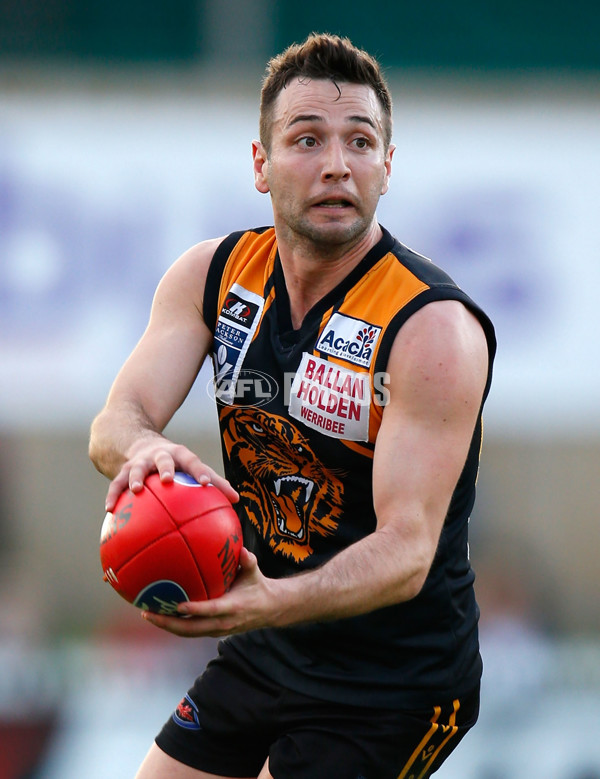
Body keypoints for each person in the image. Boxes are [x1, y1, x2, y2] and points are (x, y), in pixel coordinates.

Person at [89, 32, 496, 779]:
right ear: (261, 165)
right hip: (270, 647)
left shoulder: (431, 327)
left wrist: (265, 601)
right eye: (307, 139)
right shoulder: (214, 275)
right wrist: (140, 450)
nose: (337, 163)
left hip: (395, 681)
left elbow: (408, 554)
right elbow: (115, 420)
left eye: (361, 142)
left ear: (386, 167)